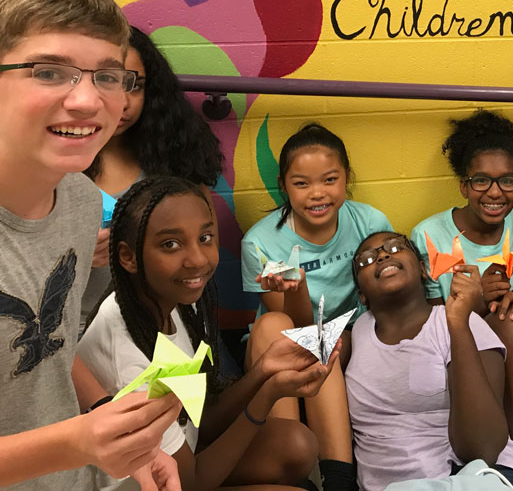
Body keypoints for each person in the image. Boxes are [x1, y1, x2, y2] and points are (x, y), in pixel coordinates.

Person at [0, 0, 181, 489]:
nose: (87, 101)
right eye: (49, 72)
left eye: (108, 75)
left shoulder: (78, 197)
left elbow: (44, 345)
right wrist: (79, 442)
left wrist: (113, 424)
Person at [78, 176, 333, 490]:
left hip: (186, 456)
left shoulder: (177, 299)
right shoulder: (127, 355)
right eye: (170, 244)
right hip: (157, 484)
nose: (197, 259)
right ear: (128, 257)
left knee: (297, 444)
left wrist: (264, 371)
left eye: (205, 237)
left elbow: (201, 418)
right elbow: (189, 482)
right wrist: (267, 394)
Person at [240, 122, 392, 491]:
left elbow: (386, 299)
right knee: (277, 325)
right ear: (284, 185)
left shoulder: (369, 223)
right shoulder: (260, 242)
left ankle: (339, 478)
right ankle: (288, 467)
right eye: (301, 183)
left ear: (346, 179)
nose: (317, 194)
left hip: (351, 338)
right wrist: (298, 288)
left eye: (329, 180)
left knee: (331, 340)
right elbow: (297, 325)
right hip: (283, 343)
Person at [411, 109, 513, 489]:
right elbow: (429, 325)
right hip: (467, 370)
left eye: (507, 180)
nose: (495, 192)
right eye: (481, 181)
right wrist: (475, 304)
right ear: (463, 185)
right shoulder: (429, 234)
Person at [346, 231, 513, 490]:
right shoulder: (356, 336)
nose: (382, 255)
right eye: (366, 260)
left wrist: (458, 325)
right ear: (361, 295)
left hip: (477, 477)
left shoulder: (462, 322)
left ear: (424, 270)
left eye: (395, 247)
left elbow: (483, 449)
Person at [82, 26, 223, 328]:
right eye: (107, 81)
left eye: (134, 86)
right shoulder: (50, 163)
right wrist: (72, 252)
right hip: (78, 330)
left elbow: (205, 242)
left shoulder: (175, 155)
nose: (122, 101)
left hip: (169, 326)